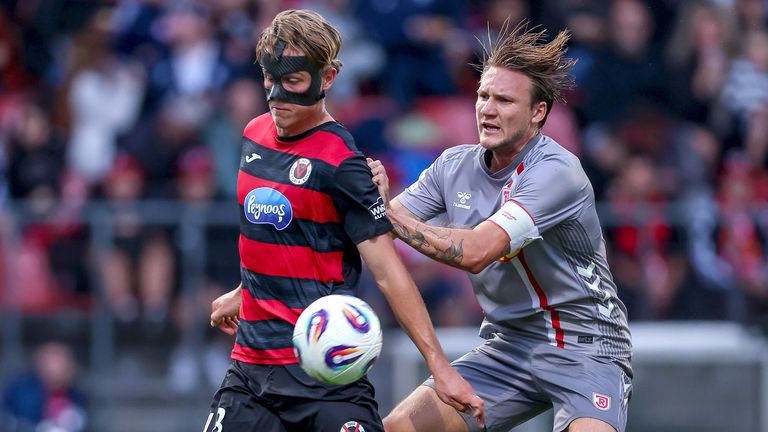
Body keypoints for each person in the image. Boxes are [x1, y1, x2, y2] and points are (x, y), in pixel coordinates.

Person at [203, 9, 483, 432]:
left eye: (294, 81)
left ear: (328, 77)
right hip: (250, 371)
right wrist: (246, 291)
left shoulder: (343, 165)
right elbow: (281, 237)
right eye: (269, 79)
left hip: (323, 378)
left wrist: (440, 368)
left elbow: (388, 273)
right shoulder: (254, 135)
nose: (277, 95)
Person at [368, 21, 633, 432]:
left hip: (587, 348)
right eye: (483, 96)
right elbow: (373, 226)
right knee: (397, 428)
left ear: (537, 113)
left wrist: (387, 214)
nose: (487, 109)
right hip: (508, 348)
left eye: (504, 100)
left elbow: (477, 251)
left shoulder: (557, 172)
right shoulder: (452, 166)